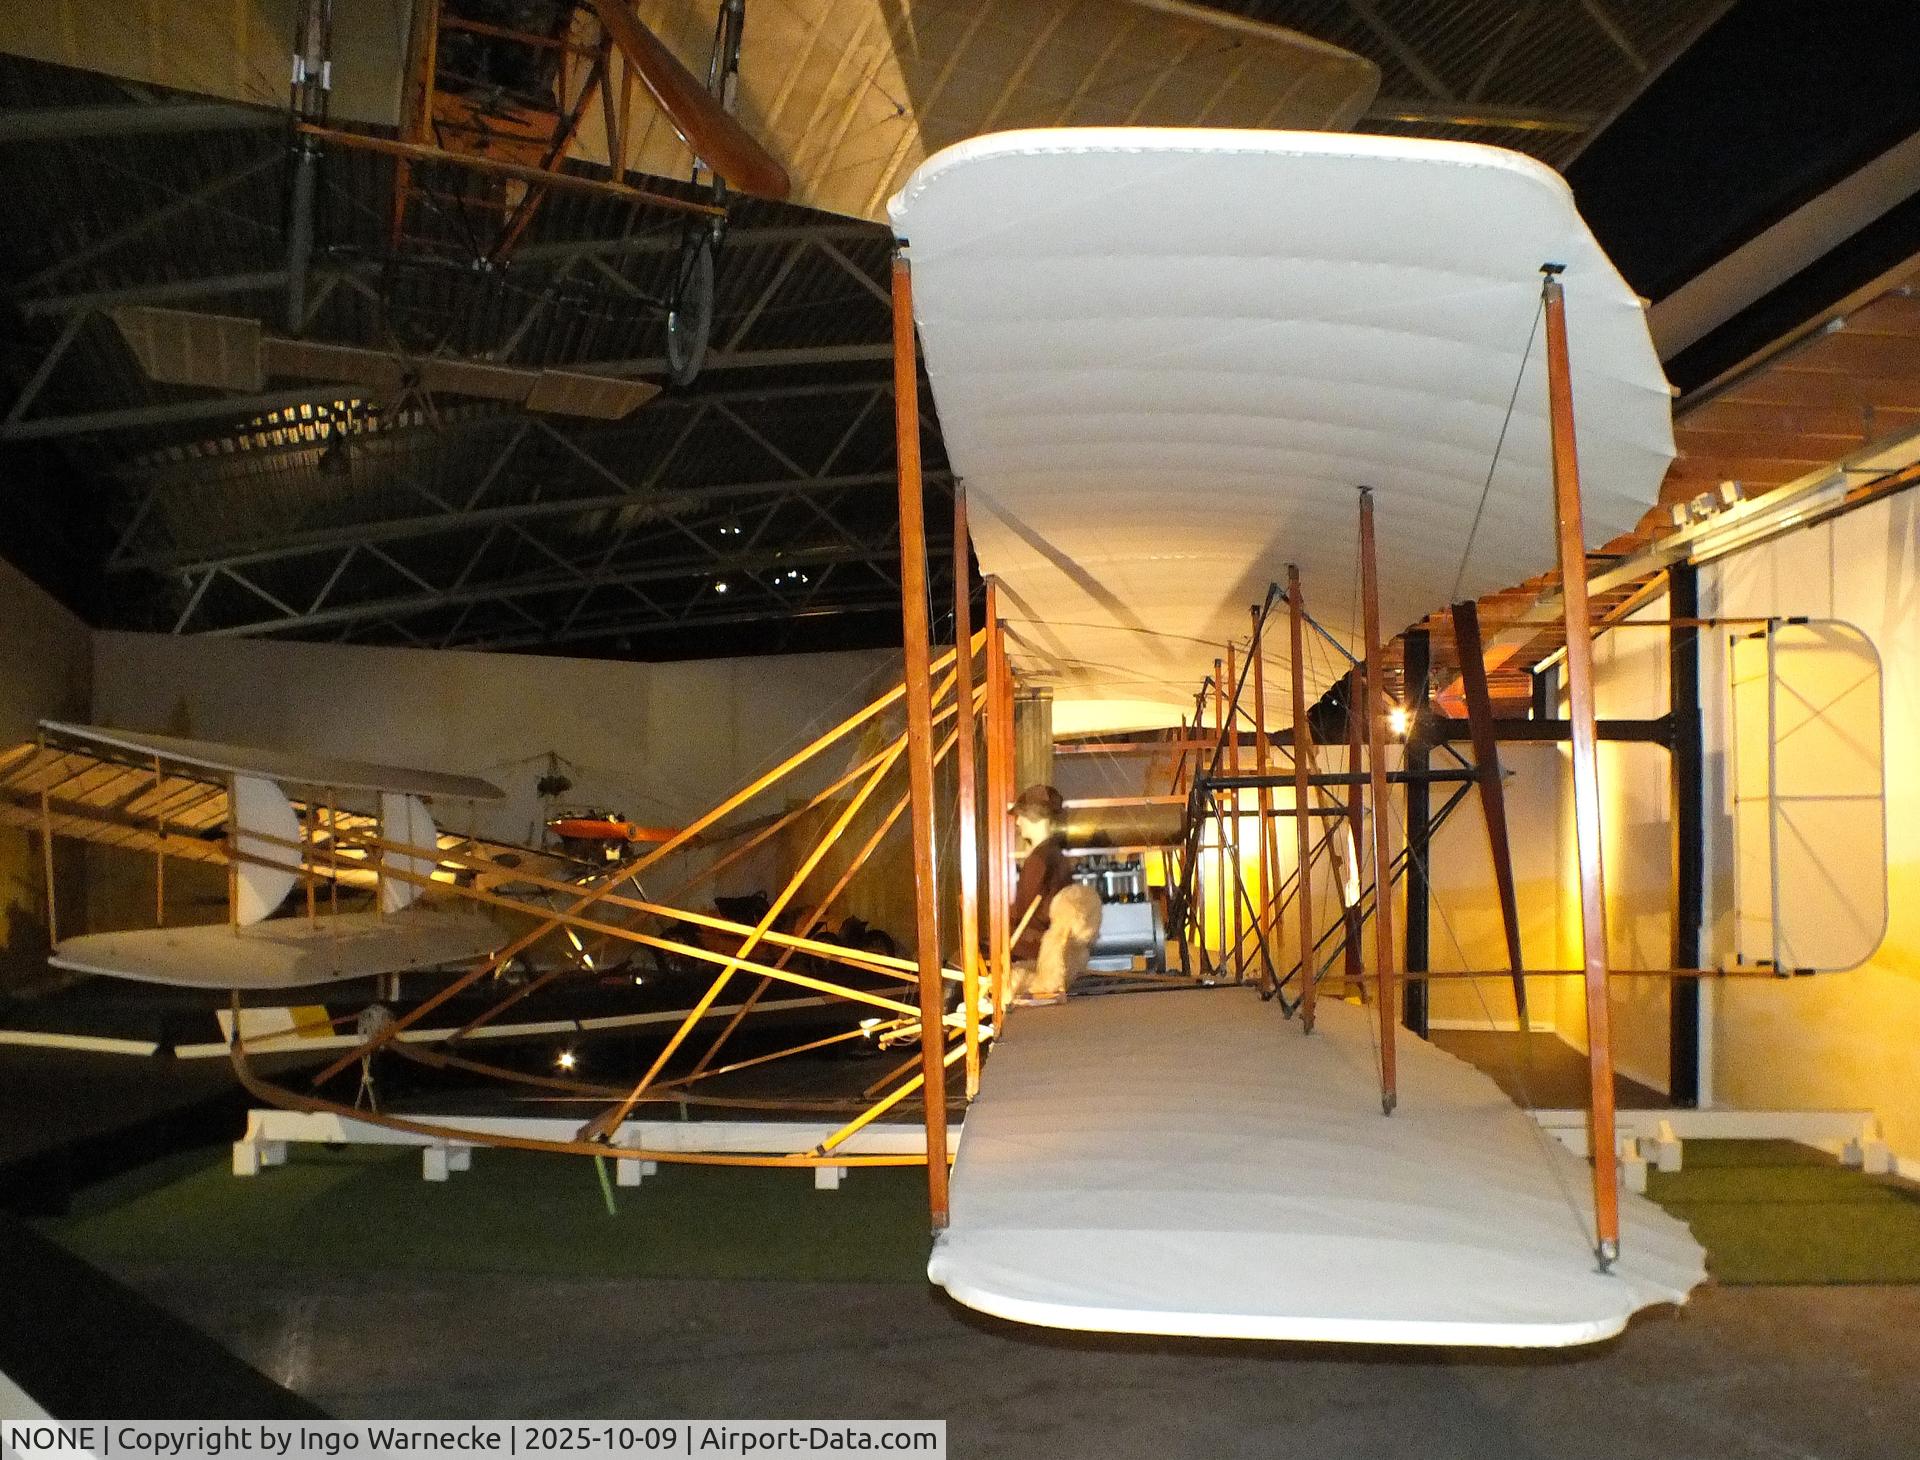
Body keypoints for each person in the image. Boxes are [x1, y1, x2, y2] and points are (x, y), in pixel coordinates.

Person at [1006, 784, 1102, 1004]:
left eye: (1021, 816)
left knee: (963, 958)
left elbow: (1026, 912)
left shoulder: (1038, 860)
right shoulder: (1056, 855)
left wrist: (997, 920)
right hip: (1054, 946)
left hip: (1033, 948)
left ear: (1033, 816)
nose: (1018, 822)